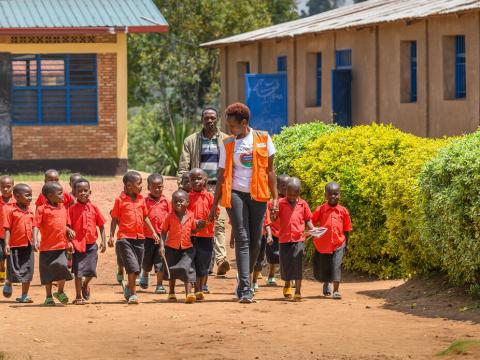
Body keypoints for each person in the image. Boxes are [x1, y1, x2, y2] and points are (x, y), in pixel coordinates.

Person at [209, 102, 278, 304]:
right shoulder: (228, 144)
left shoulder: (264, 138)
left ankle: (244, 277)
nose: (230, 130)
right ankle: (246, 288)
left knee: (257, 240)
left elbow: (270, 171)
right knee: (242, 237)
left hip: (258, 195)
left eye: (233, 126)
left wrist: (275, 198)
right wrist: (215, 205)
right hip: (235, 194)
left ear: (244, 122)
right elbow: (221, 176)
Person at [178, 107, 230, 276]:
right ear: (202, 120)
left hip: (219, 188)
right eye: (206, 118)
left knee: (219, 223)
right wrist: (183, 187)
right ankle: (200, 263)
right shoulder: (191, 141)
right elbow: (183, 168)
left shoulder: (226, 140)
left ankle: (221, 260)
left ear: (217, 119)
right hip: (197, 189)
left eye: (212, 117)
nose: (209, 120)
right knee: (197, 224)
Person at [108, 171, 159, 305]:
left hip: (140, 238)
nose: (142, 186)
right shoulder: (120, 200)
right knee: (132, 267)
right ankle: (133, 295)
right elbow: (114, 218)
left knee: (137, 268)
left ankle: (128, 288)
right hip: (124, 238)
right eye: (139, 184)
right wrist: (111, 236)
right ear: (129, 186)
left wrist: (153, 232)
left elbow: (145, 217)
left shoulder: (141, 199)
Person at [33, 182, 75, 306]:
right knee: (47, 273)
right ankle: (48, 296)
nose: (63, 195)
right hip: (47, 247)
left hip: (61, 245)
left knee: (62, 268)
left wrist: (69, 230)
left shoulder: (63, 208)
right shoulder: (42, 209)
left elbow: (64, 225)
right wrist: (35, 239)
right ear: (50, 196)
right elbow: (36, 225)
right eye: (60, 193)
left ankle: (60, 291)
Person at [274, 178, 315, 302]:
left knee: (297, 265)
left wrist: (313, 229)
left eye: (295, 194)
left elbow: (308, 219)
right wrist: (273, 213)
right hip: (284, 239)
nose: (292, 196)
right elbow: (274, 217)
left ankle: (298, 291)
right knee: (286, 265)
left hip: (299, 239)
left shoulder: (303, 204)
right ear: (285, 191)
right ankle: (287, 284)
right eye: (289, 194)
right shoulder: (280, 203)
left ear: (299, 192)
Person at [161, 189, 204, 304]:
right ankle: (171, 292)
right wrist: (162, 245)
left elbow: (194, 229)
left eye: (181, 201)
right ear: (172, 203)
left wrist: (201, 224)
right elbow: (164, 231)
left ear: (187, 202)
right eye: (175, 202)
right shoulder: (169, 217)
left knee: (187, 269)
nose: (178, 203)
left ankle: (189, 294)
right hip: (171, 248)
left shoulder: (191, 215)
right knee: (172, 271)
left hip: (187, 248)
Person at [311, 182, 352, 300]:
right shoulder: (321, 209)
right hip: (323, 244)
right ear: (325, 195)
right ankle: (326, 283)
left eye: (336, 194)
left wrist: (346, 245)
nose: (333, 196)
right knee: (325, 266)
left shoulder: (343, 211)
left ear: (340, 195)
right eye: (330, 194)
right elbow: (312, 223)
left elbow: (347, 229)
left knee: (336, 266)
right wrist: (315, 232)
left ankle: (336, 290)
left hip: (339, 243)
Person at [69, 178, 106, 305]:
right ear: (74, 193)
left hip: (91, 245)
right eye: (80, 191)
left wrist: (104, 241)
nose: (83, 193)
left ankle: (85, 284)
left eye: (86, 190)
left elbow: (101, 225)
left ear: (90, 192)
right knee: (78, 271)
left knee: (91, 271)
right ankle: (78, 296)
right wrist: (69, 234)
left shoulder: (94, 208)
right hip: (78, 245)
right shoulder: (72, 209)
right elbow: (67, 225)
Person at [188, 168, 218, 301]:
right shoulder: (187, 197)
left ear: (205, 180)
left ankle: (200, 288)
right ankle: (194, 289)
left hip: (206, 235)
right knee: (192, 262)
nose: (196, 181)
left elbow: (215, 213)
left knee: (203, 263)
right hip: (191, 235)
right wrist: (194, 223)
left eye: (199, 178)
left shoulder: (210, 197)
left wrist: (207, 221)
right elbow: (184, 214)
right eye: (193, 179)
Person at [2, 184, 34, 303]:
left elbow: (34, 227)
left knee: (28, 270)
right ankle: (9, 281)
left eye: (31, 195)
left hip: (28, 245)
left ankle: (24, 295)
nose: (30, 198)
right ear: (17, 196)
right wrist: (6, 244)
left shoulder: (30, 211)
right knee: (13, 269)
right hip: (14, 245)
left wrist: (35, 241)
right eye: (27, 195)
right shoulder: (11, 210)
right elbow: (7, 229)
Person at [139, 173, 171, 294]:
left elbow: (171, 216)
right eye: (154, 187)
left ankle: (159, 285)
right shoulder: (144, 201)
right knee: (146, 261)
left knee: (160, 261)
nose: (157, 189)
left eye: (160, 186)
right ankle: (145, 275)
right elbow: (142, 216)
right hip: (147, 236)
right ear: (148, 188)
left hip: (162, 237)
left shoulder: (166, 202)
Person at [265, 174, 289, 286]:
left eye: (288, 185)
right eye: (283, 185)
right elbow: (268, 217)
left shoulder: (293, 201)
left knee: (289, 257)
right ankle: (271, 274)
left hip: (287, 234)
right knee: (272, 256)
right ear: (277, 187)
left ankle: (290, 278)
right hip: (274, 233)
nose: (286, 188)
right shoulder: (272, 202)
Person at [252, 208, 272, 291]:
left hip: (261, 236)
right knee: (247, 260)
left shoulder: (264, 205)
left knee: (258, 261)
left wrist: (269, 235)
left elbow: (266, 223)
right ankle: (245, 282)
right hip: (248, 237)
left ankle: (254, 281)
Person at [0, 175, 15, 284]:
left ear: (12, 187)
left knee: (11, 257)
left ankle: (11, 277)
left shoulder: (17, 201)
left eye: (8, 186)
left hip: (13, 235)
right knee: (1, 257)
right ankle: (2, 272)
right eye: (3, 186)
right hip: (0, 235)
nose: (5, 189)